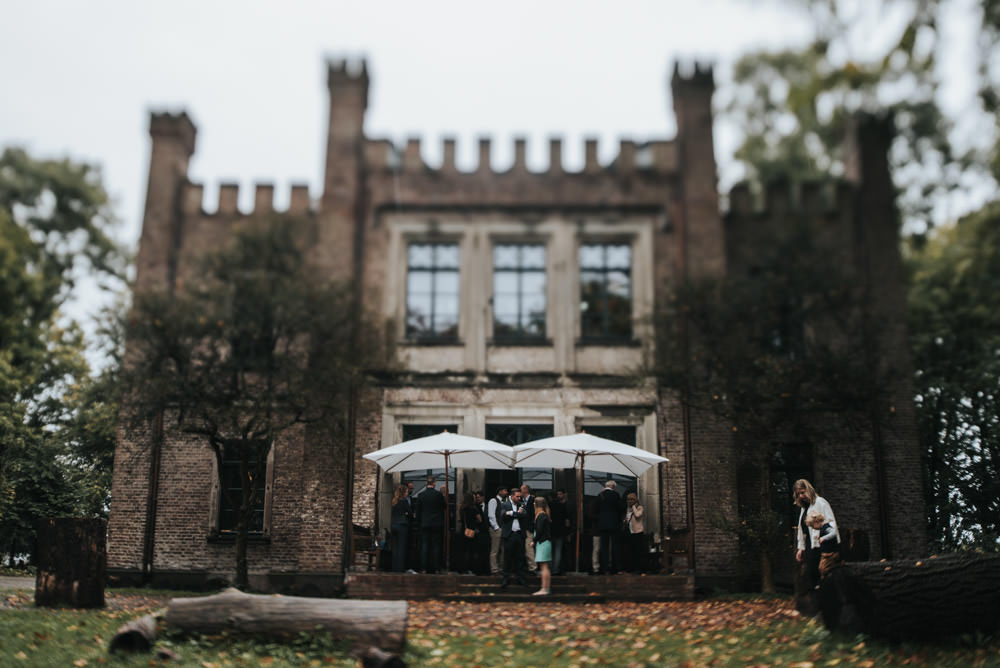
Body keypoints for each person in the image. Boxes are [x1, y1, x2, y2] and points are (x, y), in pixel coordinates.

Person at [793, 479, 839, 589]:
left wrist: (825, 539)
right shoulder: (804, 508)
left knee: (823, 575)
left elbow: (831, 524)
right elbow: (802, 530)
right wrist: (801, 548)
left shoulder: (820, 502)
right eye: (798, 494)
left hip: (822, 546)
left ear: (809, 490)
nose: (801, 496)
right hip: (810, 546)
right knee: (811, 575)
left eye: (803, 492)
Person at [415, 476, 446, 573]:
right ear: (434, 483)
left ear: (426, 483)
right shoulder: (438, 495)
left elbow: (418, 511)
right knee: (436, 546)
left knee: (424, 545)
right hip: (436, 524)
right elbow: (444, 507)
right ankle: (436, 568)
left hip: (425, 524)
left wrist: (418, 523)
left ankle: (423, 568)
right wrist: (444, 495)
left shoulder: (421, 495)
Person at [499, 487, 529, 588]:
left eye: (520, 497)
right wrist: (516, 513)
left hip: (520, 535)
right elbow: (503, 515)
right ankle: (505, 578)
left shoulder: (522, 504)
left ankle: (520, 578)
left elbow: (524, 515)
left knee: (520, 557)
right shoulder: (505, 504)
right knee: (507, 557)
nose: (519, 498)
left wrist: (511, 513)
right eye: (517, 496)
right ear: (511, 496)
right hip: (509, 534)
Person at [594, 479, 625, 574]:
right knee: (615, 546)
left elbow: (596, 509)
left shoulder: (600, 495)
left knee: (604, 547)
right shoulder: (615, 495)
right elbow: (621, 508)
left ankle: (605, 568)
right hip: (614, 523)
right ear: (613, 487)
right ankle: (616, 567)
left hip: (602, 524)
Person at [806, 510, 841, 578]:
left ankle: (827, 581)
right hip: (826, 553)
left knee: (824, 569)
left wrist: (824, 538)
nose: (813, 528)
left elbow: (833, 533)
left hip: (830, 553)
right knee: (822, 568)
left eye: (813, 526)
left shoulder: (826, 527)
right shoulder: (823, 529)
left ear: (817, 522)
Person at [532, 496, 553, 595]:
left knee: (543, 566)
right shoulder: (544, 515)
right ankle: (546, 588)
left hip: (542, 543)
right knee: (545, 566)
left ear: (536, 505)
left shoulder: (540, 516)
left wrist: (534, 541)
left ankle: (544, 588)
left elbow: (539, 531)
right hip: (545, 542)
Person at [390, 484, 412, 573]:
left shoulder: (394, 501)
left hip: (394, 525)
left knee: (395, 548)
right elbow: (410, 514)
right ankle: (400, 569)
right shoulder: (404, 501)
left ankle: (394, 568)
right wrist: (407, 514)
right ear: (403, 493)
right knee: (401, 548)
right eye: (407, 492)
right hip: (402, 526)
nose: (407, 493)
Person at [487, 486, 509, 575]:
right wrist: (496, 527)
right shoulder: (493, 500)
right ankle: (494, 569)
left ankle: (501, 568)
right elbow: (491, 515)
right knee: (495, 550)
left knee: (503, 549)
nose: (506, 492)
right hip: (496, 529)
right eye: (505, 490)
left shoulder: (504, 502)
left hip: (503, 528)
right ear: (499, 491)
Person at [458, 492, 481, 574]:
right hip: (472, 531)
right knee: (472, 551)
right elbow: (479, 520)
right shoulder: (474, 508)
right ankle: (472, 568)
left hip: (464, 531)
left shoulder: (462, 508)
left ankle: (464, 569)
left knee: (464, 551)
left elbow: (459, 519)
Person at [549, 488, 570, 575]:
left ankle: (550, 569)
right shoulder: (562, 506)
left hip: (550, 530)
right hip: (560, 531)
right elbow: (566, 520)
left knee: (549, 551)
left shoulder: (548, 506)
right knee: (558, 551)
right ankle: (555, 569)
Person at [624, 492, 646, 573]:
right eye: (628, 500)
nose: (629, 501)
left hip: (638, 532)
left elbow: (637, 515)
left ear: (635, 500)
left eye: (631, 500)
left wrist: (633, 506)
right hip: (630, 532)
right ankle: (632, 568)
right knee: (631, 551)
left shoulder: (640, 508)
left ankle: (639, 569)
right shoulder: (628, 509)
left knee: (638, 551)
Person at [520, 484, 537, 572]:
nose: (520, 492)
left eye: (521, 489)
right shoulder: (522, 501)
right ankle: (527, 567)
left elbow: (534, 515)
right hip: (522, 529)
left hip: (529, 529)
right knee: (524, 548)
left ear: (526, 490)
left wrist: (532, 527)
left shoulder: (533, 500)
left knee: (528, 548)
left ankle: (533, 567)